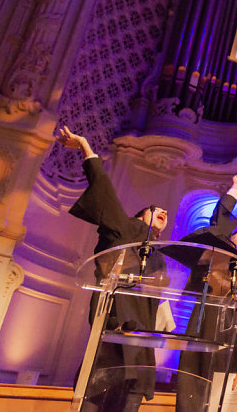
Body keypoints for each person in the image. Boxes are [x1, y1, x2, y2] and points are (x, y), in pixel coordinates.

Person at [59, 126, 168, 412]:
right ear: (139, 216)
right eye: (156, 209)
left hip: (141, 340)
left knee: (129, 403)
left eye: (166, 214)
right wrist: (85, 147)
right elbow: (105, 191)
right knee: (96, 399)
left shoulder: (158, 256)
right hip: (114, 331)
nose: (164, 213)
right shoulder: (124, 231)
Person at [176, 172, 237, 412]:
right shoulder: (213, 269)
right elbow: (217, 226)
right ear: (227, 245)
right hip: (202, 351)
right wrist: (235, 191)